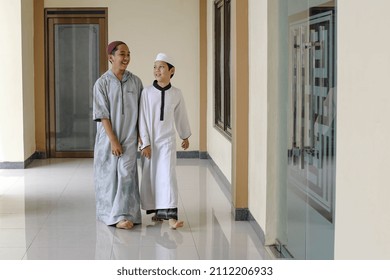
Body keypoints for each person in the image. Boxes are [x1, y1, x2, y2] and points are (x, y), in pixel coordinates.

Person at [92, 41, 143, 230]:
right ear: (110, 57)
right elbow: (102, 114)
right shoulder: (102, 83)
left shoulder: (135, 82)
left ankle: (124, 214)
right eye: (122, 54)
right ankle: (108, 213)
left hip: (129, 136)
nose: (126, 58)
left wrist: (140, 136)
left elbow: (141, 112)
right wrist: (113, 141)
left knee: (126, 174)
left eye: (128, 54)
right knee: (108, 177)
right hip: (108, 138)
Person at [138, 53, 191, 229]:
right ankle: (157, 213)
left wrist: (184, 135)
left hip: (167, 142)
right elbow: (142, 118)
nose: (157, 70)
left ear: (171, 70)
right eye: (155, 67)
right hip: (150, 144)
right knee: (151, 178)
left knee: (167, 177)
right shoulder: (146, 92)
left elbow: (180, 115)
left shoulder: (176, 94)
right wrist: (144, 143)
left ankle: (172, 218)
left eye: (161, 67)